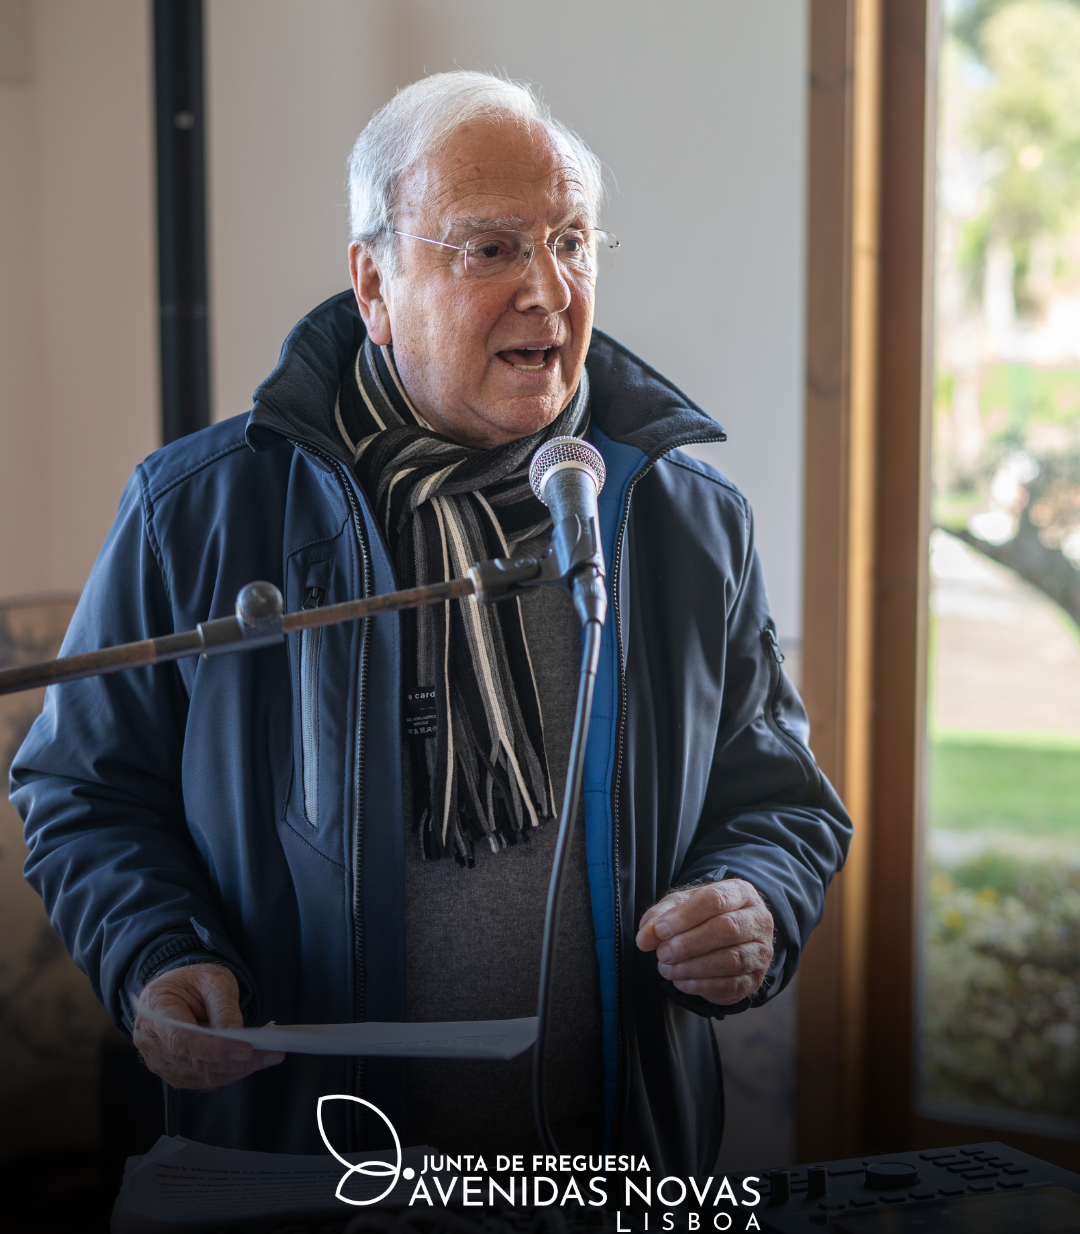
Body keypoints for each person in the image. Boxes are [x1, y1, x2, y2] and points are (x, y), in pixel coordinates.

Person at [11, 72, 850, 1173]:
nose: (548, 289)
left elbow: (780, 799)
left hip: (610, 1184)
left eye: (572, 241)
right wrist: (156, 953)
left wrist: (754, 901)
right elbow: (83, 792)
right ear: (374, 284)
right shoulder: (197, 513)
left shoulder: (685, 519)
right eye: (490, 248)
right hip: (306, 1181)